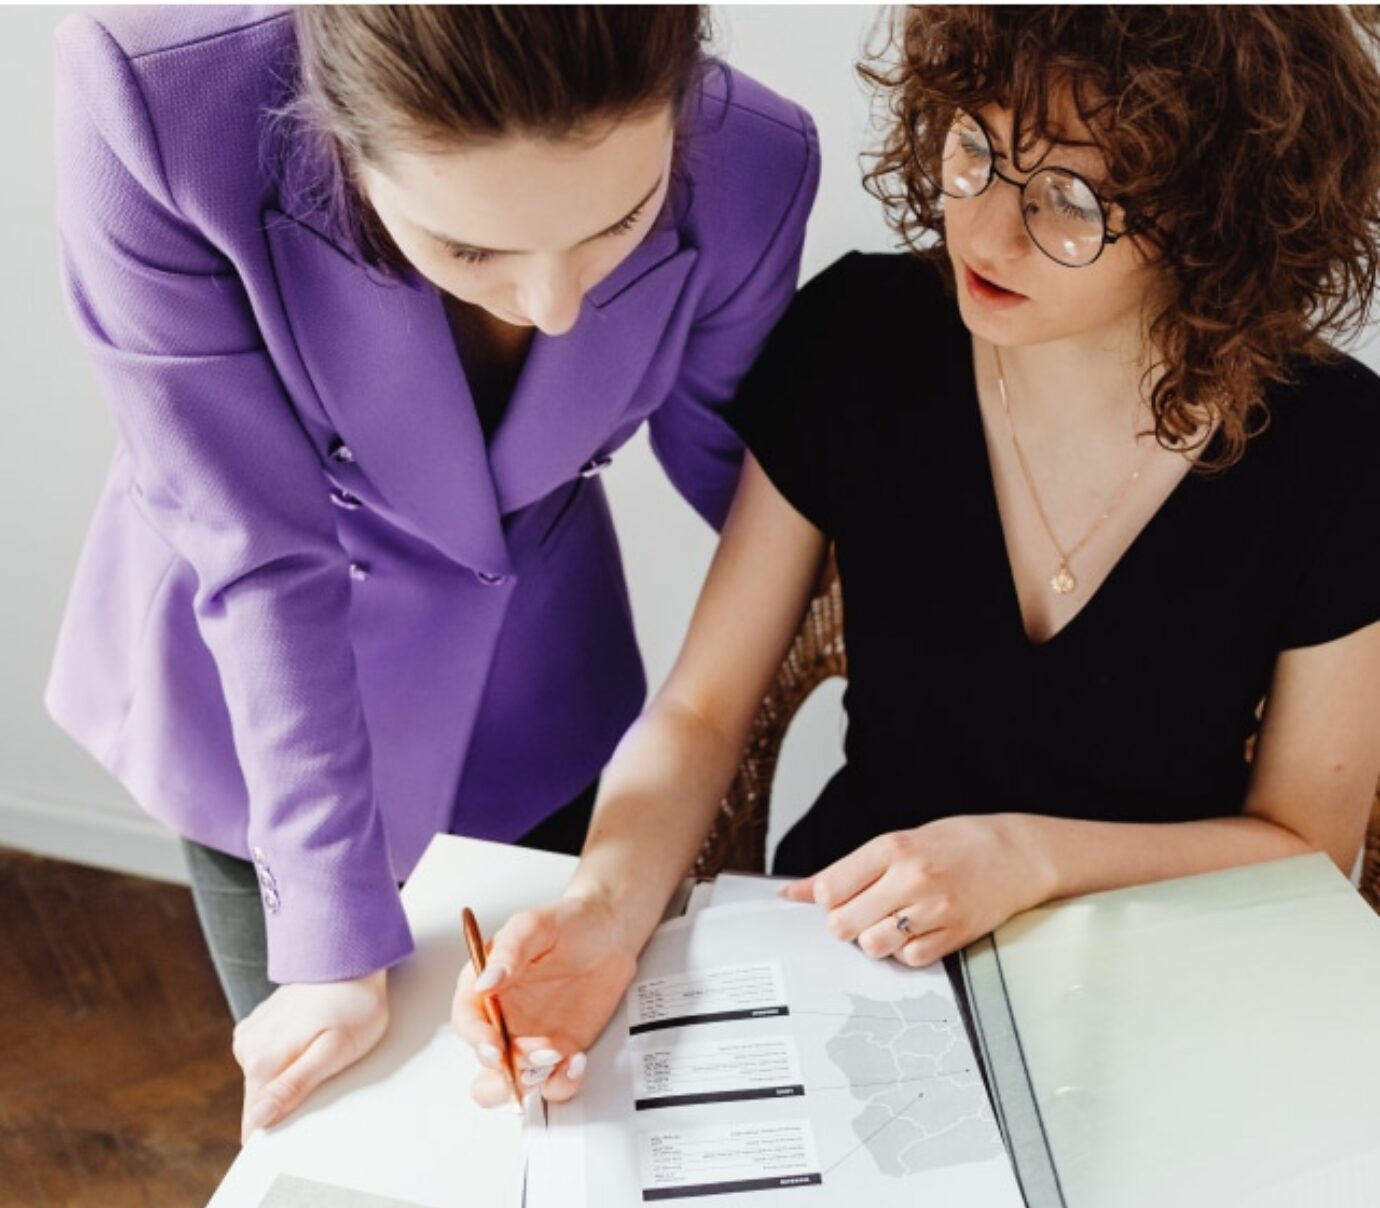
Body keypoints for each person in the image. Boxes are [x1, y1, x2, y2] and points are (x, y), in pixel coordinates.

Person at [453, 4, 1380, 1108]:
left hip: (1157, 974)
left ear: (1217, 218)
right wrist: (602, 905)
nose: (985, 233)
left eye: (1069, 202)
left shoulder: (1334, 446)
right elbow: (703, 709)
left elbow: (1305, 845)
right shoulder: (862, 338)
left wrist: (1025, 856)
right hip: (851, 942)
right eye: (976, 150)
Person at [47, 4, 819, 1140]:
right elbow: (252, 539)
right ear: (338, 140)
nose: (556, 304)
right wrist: (329, 932)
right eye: (470, 249)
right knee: (347, 1131)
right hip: (260, 707)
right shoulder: (159, 103)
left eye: (621, 221)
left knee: (549, 1119)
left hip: (537, 685)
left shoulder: (755, 163)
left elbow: (752, 486)